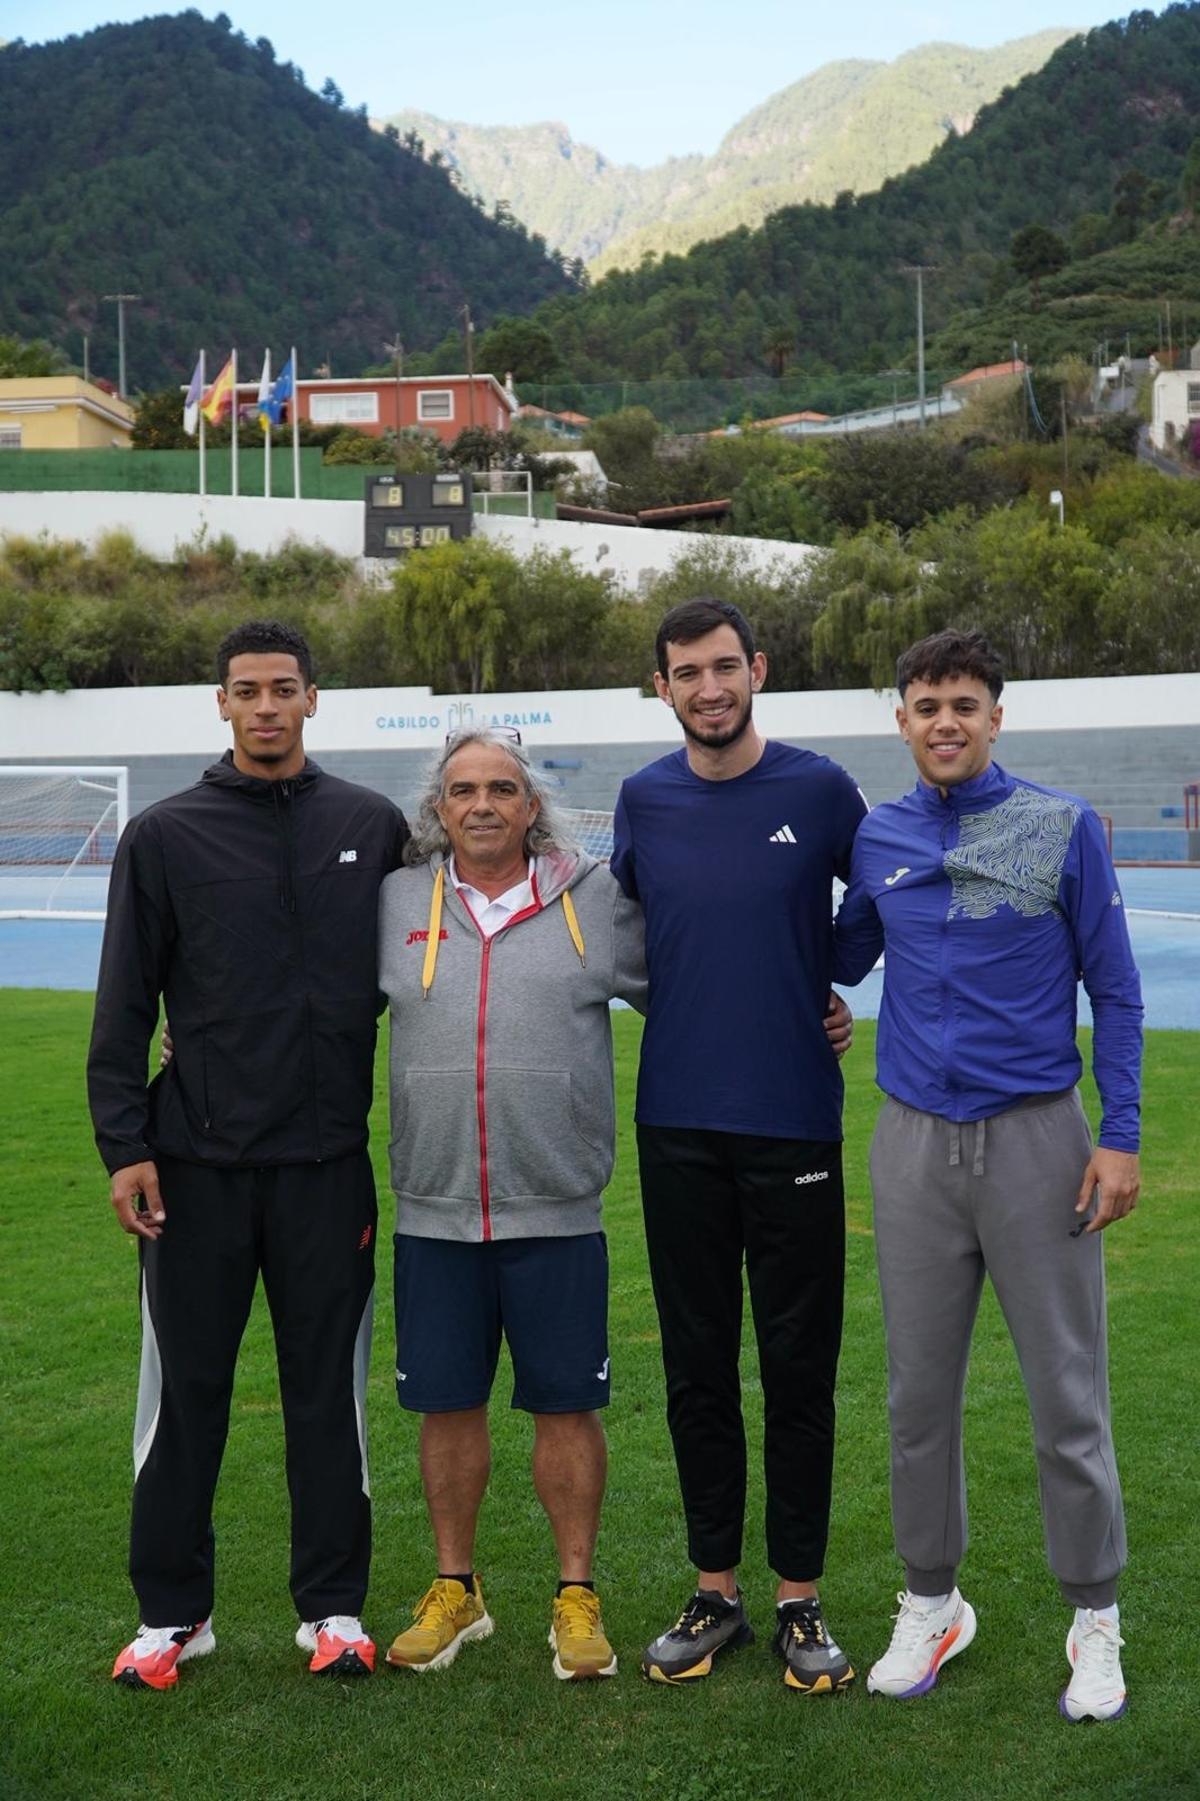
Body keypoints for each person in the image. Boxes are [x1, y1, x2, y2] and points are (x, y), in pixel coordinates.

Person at [88, 619, 409, 1691]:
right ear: (219, 703)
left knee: (328, 1397)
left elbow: (431, 968)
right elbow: (125, 1001)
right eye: (246, 690)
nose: (266, 706)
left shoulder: (373, 825)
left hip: (328, 1173)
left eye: (284, 688)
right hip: (195, 1173)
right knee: (187, 1396)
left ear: (314, 698)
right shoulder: (165, 835)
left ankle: (333, 1609)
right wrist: (125, 1144)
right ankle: (173, 1614)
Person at [833, 628, 1142, 1722]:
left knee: (1067, 1394)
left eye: (965, 702)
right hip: (914, 1145)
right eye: (926, 704)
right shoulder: (880, 836)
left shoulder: (1059, 826)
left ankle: (1094, 1615)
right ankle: (932, 1601)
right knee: (918, 1397)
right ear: (903, 719)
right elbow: (847, 953)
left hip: (1039, 1141)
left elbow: (1118, 985)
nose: (946, 721)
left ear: (997, 714)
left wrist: (1123, 1134)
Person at [610, 597, 865, 1694]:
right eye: (685, 673)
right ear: (661, 687)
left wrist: (824, 971)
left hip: (794, 1120)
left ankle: (800, 1601)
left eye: (724, 667)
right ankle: (715, 1591)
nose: (708, 688)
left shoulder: (819, 788)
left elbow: (885, 895)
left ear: (757, 669)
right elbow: (629, 931)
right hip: (675, 1124)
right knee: (699, 1369)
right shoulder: (642, 799)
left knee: (799, 1368)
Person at [377, 727, 647, 1681]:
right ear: (437, 808)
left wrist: (810, 1011)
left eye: (501, 788)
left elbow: (696, 992)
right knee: (447, 1407)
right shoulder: (398, 901)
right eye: (463, 789)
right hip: (433, 1208)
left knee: (566, 1406)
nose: (482, 803)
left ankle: (576, 1595)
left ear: (532, 805)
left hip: (559, 1207)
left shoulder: (598, 901)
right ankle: (458, 1590)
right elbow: (303, 1009)